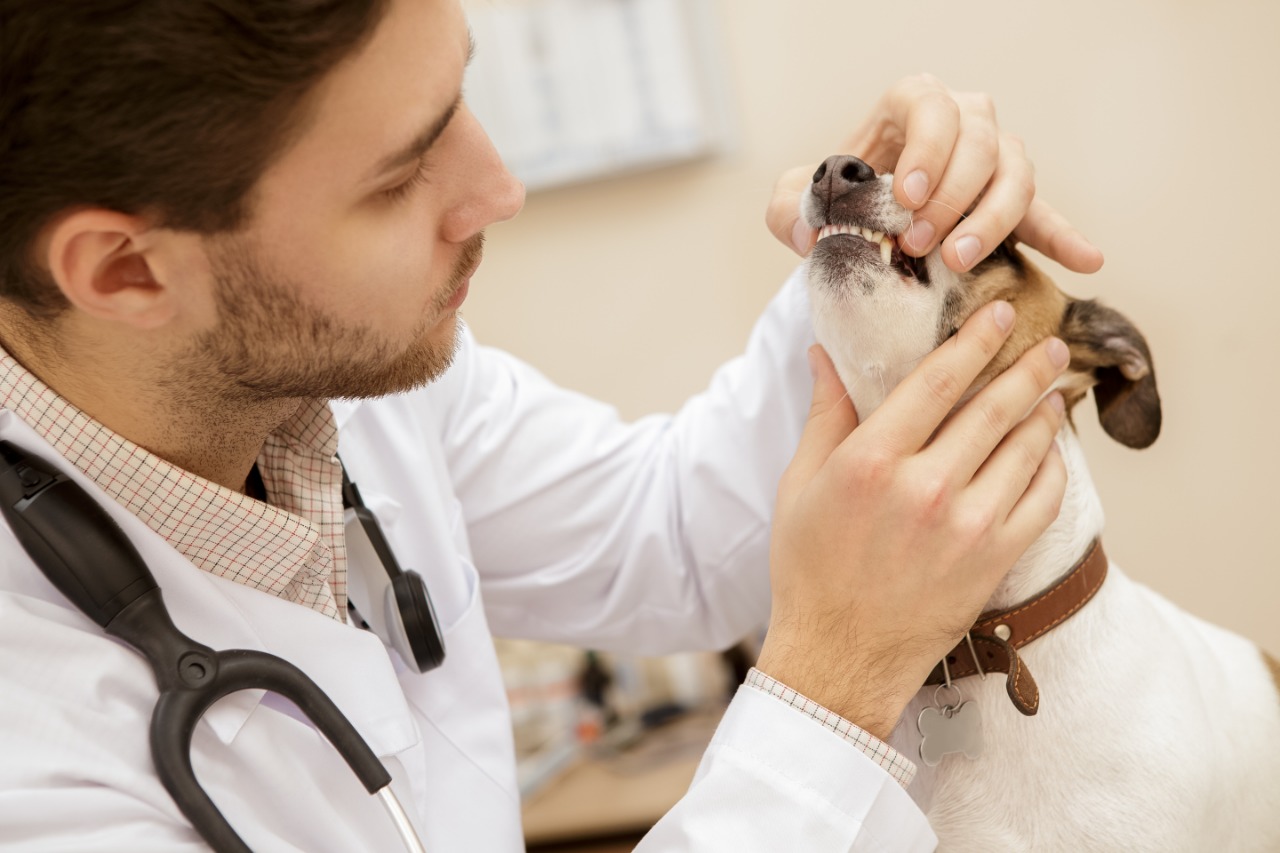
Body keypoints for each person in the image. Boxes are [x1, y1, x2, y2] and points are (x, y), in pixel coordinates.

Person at [0, 0, 1103, 850]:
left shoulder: (337, 389)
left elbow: (671, 535)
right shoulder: (34, 772)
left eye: (458, 100)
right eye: (397, 178)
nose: (498, 188)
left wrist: (858, 240)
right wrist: (834, 684)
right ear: (126, 270)